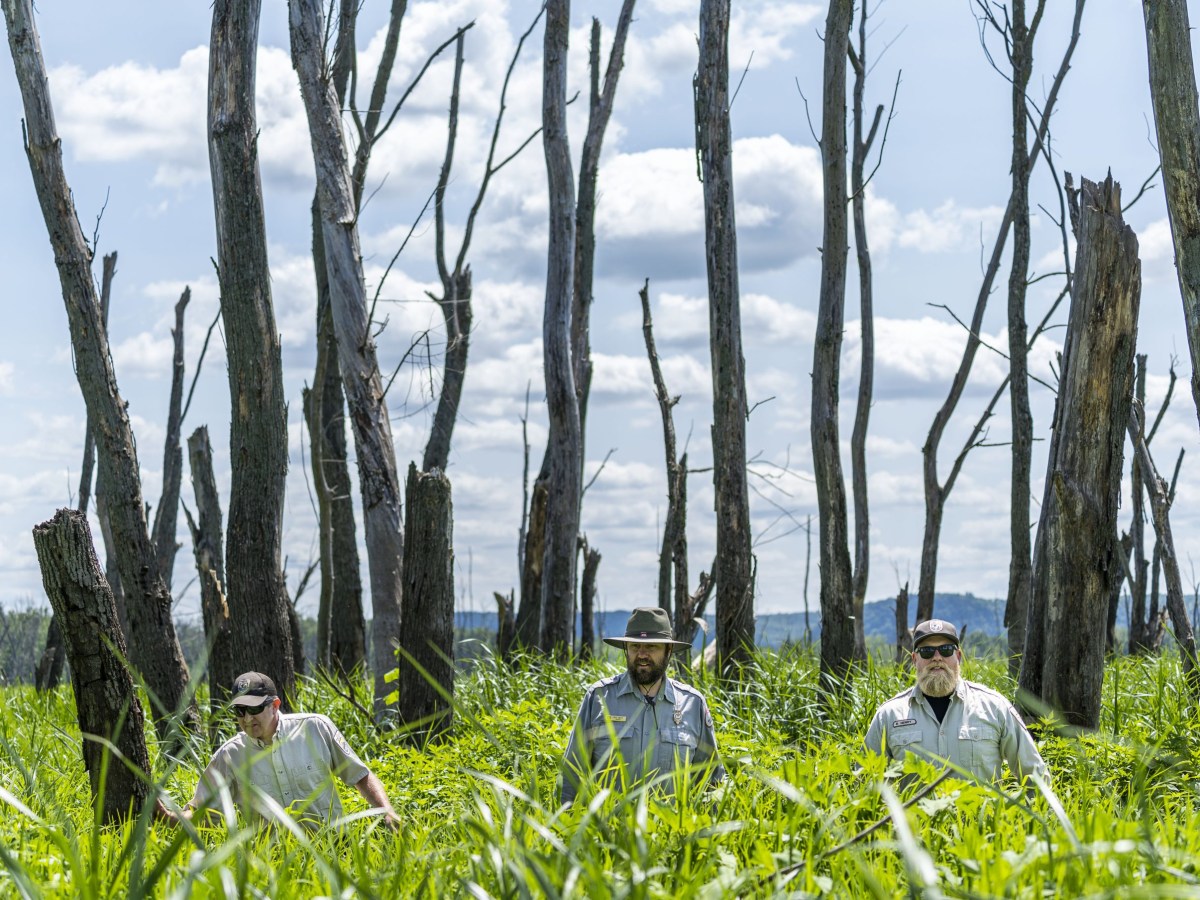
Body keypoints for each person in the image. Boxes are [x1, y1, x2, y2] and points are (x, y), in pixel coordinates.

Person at [177, 672, 400, 831]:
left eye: (254, 708)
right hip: (274, 865)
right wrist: (168, 818)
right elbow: (203, 813)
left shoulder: (315, 728)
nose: (247, 718)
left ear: (275, 705)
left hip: (333, 847)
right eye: (240, 710)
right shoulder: (229, 756)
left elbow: (360, 775)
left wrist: (387, 811)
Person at [561, 607, 723, 804]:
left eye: (652, 647)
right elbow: (571, 774)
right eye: (635, 647)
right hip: (608, 832)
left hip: (670, 831)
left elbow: (711, 781)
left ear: (668, 651)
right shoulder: (599, 698)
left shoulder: (692, 704)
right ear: (626, 649)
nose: (642, 654)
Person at [864, 619, 1047, 785]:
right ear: (914, 660)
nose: (937, 657)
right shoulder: (888, 715)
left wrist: (1023, 820)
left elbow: (1035, 774)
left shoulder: (995, 707)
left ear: (958, 656)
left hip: (981, 822)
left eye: (946, 650)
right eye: (927, 651)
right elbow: (866, 781)